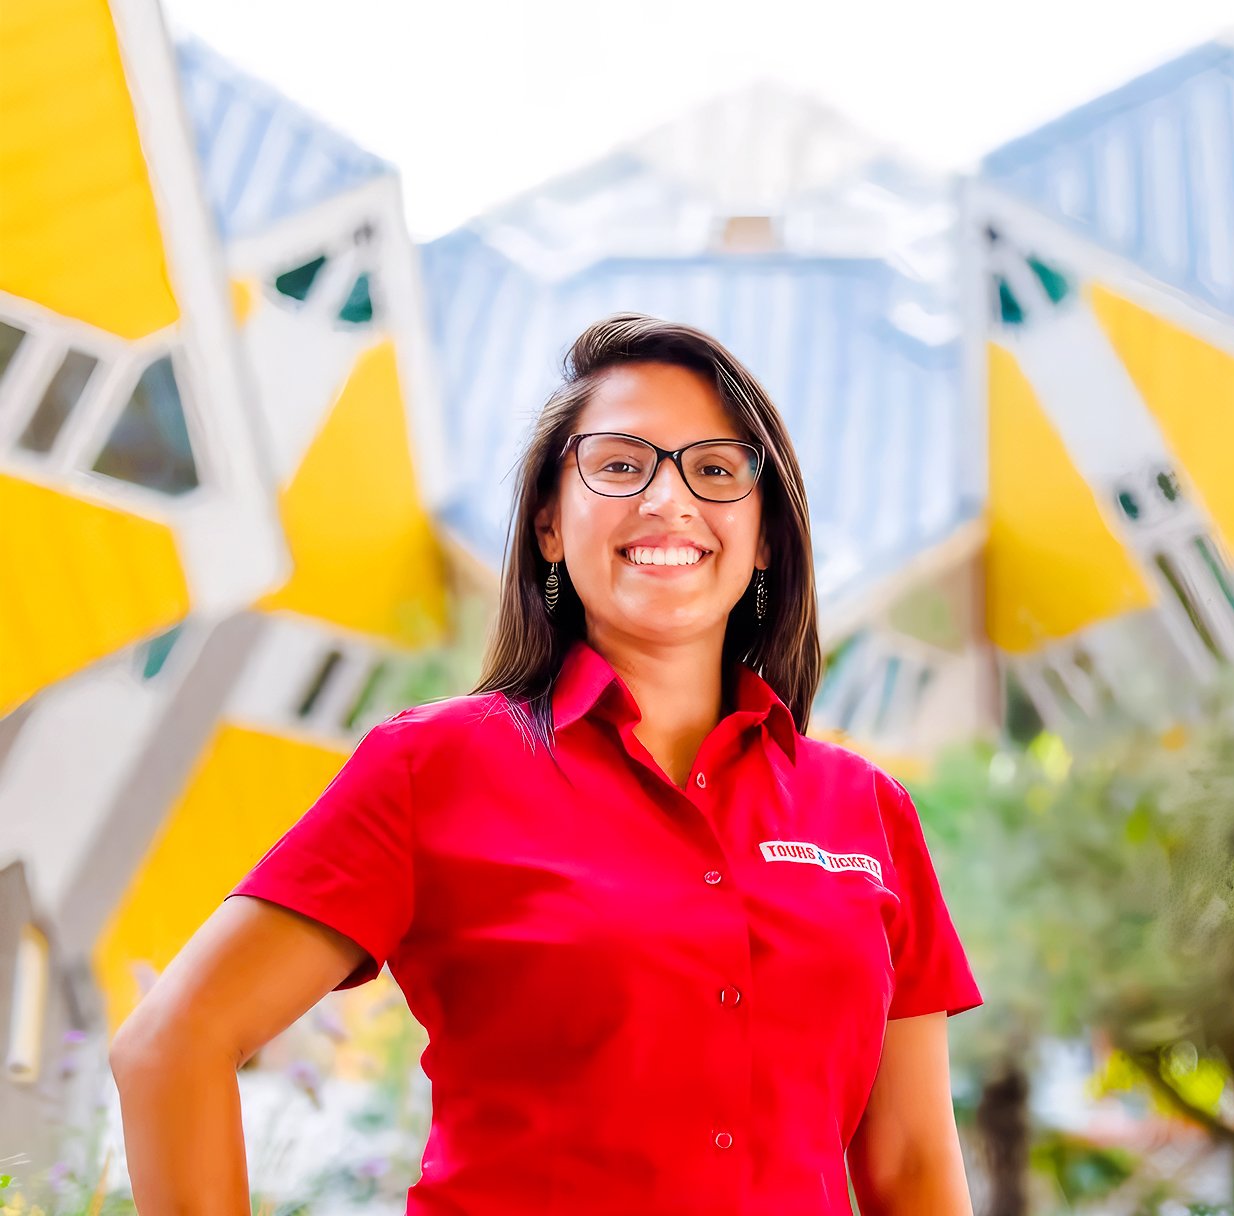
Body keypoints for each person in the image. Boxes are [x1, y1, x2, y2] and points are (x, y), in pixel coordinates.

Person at [110, 314, 983, 1214]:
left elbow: (914, 1164)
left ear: (764, 538)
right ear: (549, 529)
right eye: (617, 465)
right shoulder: (431, 767)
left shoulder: (866, 811)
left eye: (716, 471)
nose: (667, 501)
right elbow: (172, 1044)